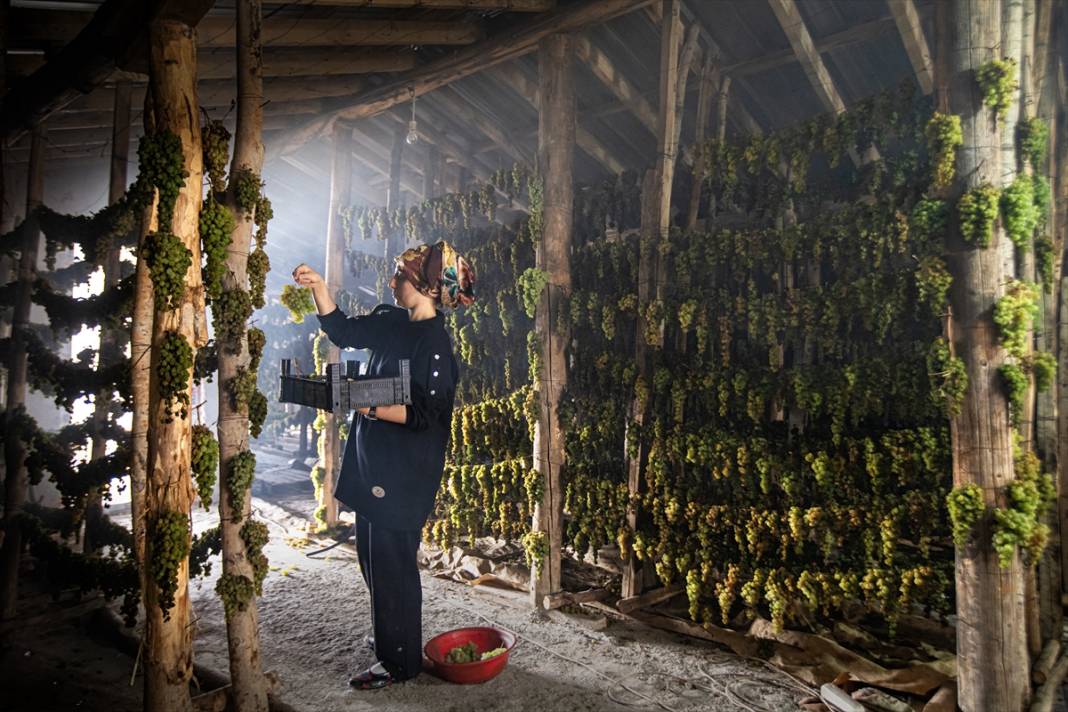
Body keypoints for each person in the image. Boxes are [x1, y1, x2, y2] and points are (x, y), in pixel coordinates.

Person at [291, 241, 474, 690]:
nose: (392, 281)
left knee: (392, 567)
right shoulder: (394, 323)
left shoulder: (434, 345)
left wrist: (365, 405)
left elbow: (427, 416)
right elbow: (342, 331)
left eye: (400, 275)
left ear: (424, 285)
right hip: (375, 462)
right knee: (373, 562)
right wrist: (318, 287)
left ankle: (400, 663)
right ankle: (396, 640)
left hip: (402, 472)